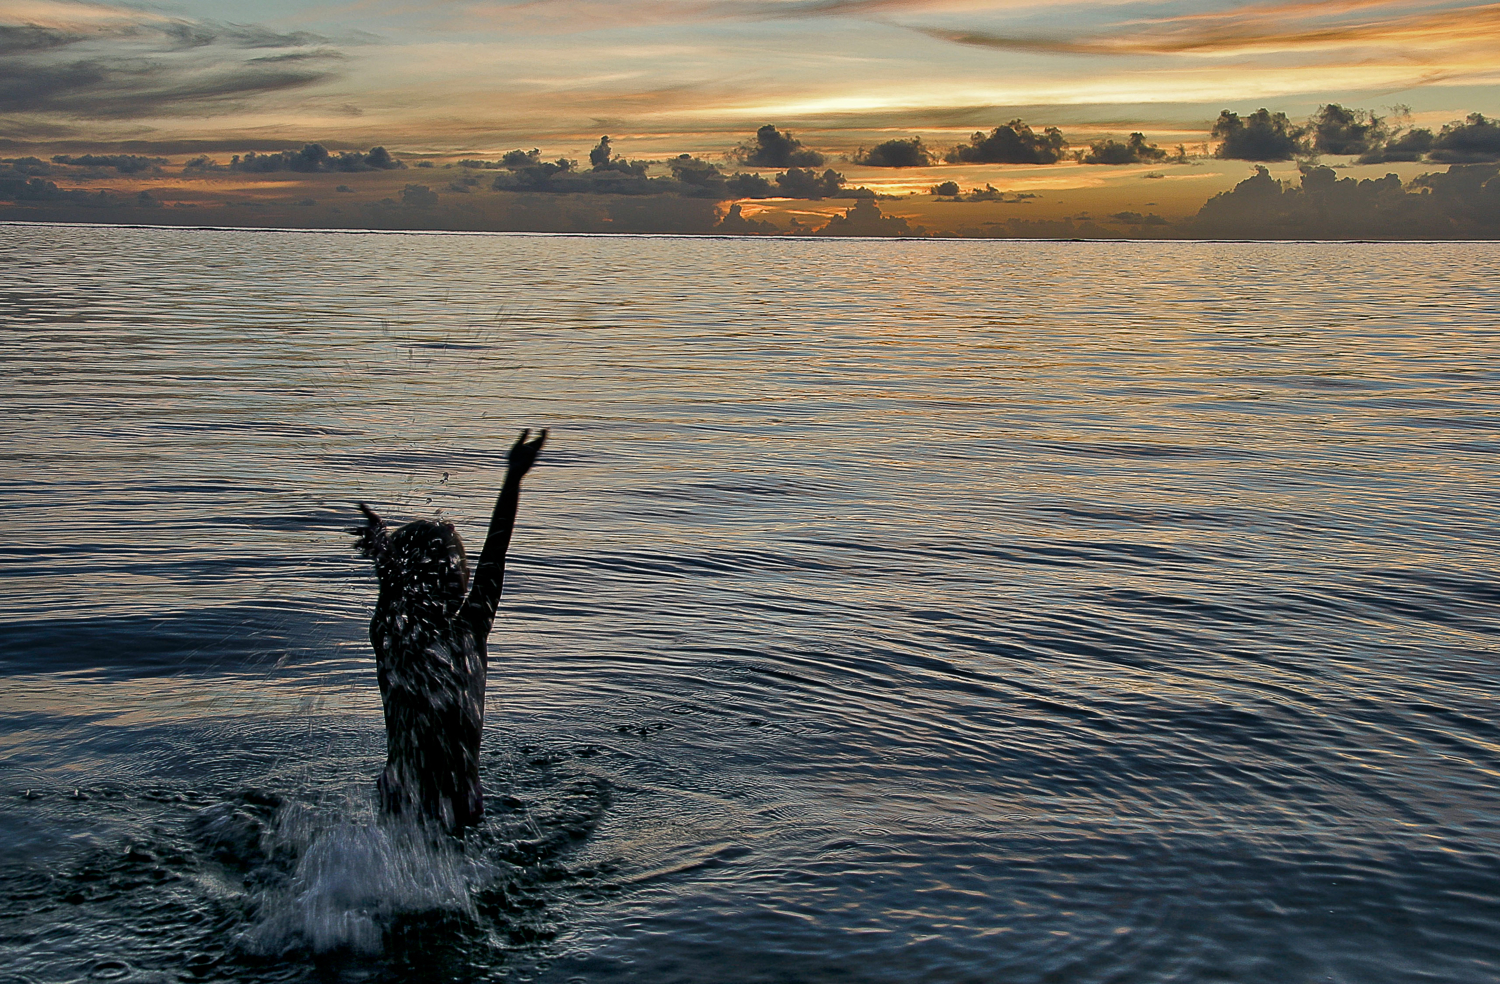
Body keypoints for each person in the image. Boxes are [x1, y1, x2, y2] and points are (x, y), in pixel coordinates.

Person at [348, 429, 547, 831]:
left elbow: (394, 589)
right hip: (455, 802)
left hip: (400, 797)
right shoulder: (466, 633)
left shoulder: (394, 638)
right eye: (455, 565)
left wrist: (384, 554)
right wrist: (512, 480)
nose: (463, 573)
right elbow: (496, 552)